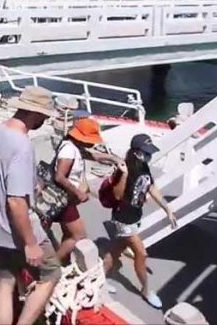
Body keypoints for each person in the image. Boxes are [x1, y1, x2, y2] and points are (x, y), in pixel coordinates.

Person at [0, 86, 61, 325]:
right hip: (16, 229)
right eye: (44, 116)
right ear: (35, 113)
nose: (44, 120)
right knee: (51, 273)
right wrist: (31, 243)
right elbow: (15, 201)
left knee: (6, 279)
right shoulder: (22, 146)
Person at [103, 133, 177, 310]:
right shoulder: (124, 169)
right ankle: (146, 290)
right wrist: (123, 175)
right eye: (146, 152)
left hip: (135, 216)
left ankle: (100, 277)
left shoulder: (144, 167)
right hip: (123, 218)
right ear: (136, 152)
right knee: (141, 254)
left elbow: (151, 187)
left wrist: (167, 208)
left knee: (116, 250)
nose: (149, 156)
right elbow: (118, 195)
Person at [51, 117, 122, 263]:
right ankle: (53, 265)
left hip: (66, 198)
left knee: (68, 232)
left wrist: (113, 159)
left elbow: (93, 156)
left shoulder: (73, 146)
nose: (92, 143)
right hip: (64, 198)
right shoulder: (69, 150)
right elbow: (59, 176)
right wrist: (78, 193)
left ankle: (63, 261)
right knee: (78, 235)